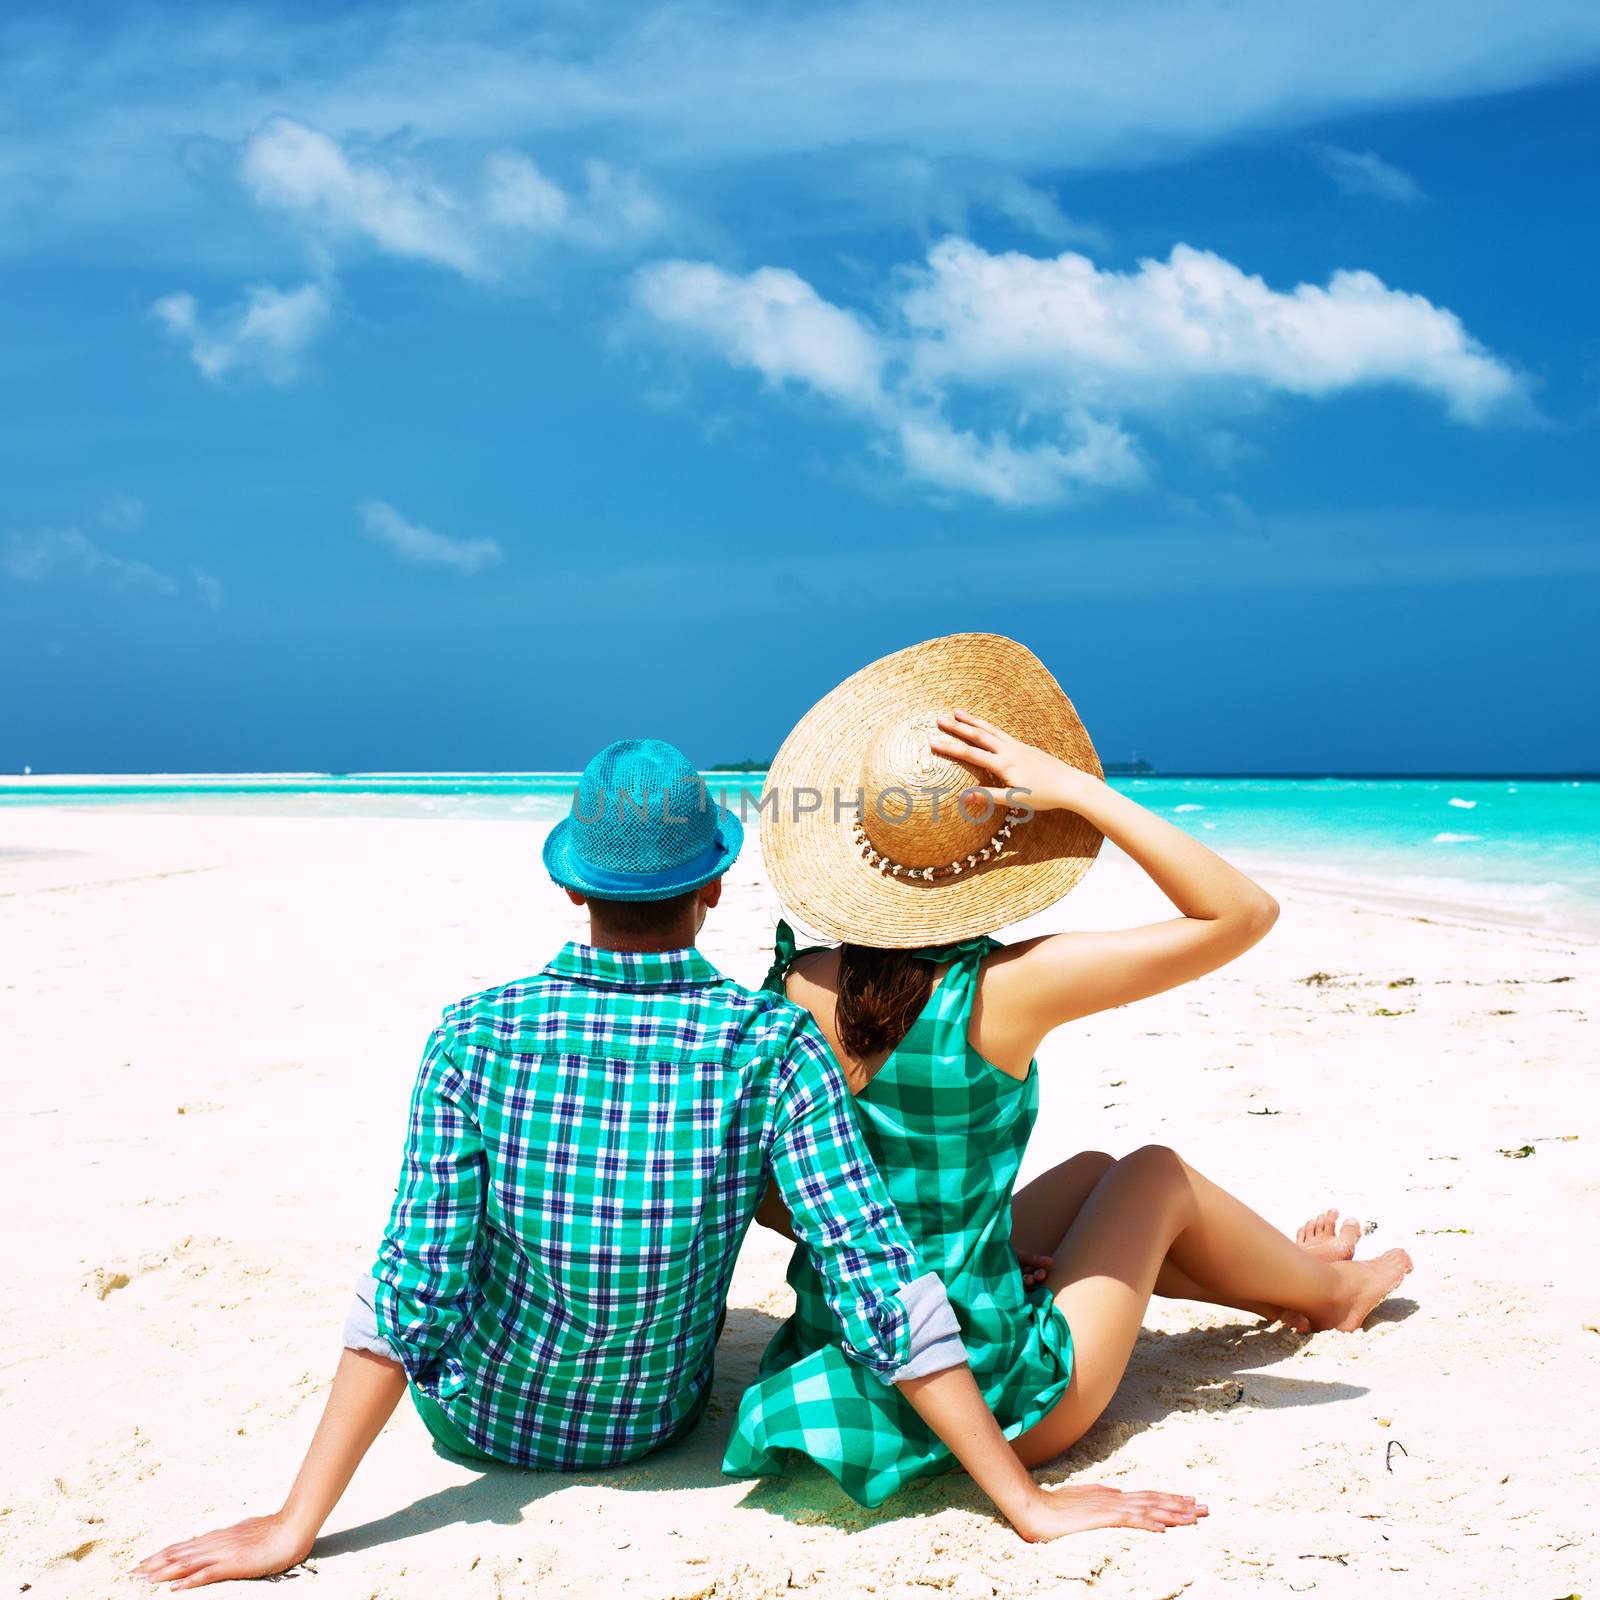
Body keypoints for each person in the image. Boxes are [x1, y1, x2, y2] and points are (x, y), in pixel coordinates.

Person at [136, 737, 1202, 1590]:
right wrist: (1024, 1500)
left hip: (472, 1423)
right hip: (647, 1424)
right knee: (1084, 1195)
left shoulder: (473, 1032)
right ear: (717, 887)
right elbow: (874, 1272)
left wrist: (294, 1523)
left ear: (570, 890)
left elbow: (409, 1283)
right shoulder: (765, 1043)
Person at [728, 633, 1413, 1507]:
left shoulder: (794, 984)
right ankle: (1332, 1292)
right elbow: (1243, 912)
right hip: (1003, 1400)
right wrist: (1080, 791)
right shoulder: (1007, 986)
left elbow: (766, 1194)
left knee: (1094, 1178)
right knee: (1156, 1175)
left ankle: (1285, 1273)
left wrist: (960, 1260)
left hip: (843, 1360)